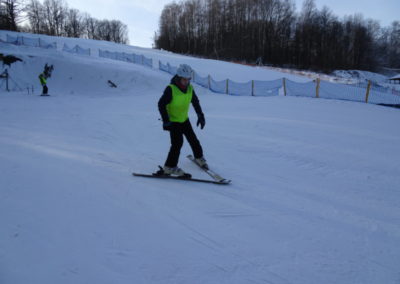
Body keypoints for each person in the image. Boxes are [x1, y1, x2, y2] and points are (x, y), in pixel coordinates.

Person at [158, 64, 207, 176]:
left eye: (188, 79)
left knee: (193, 139)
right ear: (178, 77)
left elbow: (195, 101)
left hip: (184, 119)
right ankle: (169, 167)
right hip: (173, 121)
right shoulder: (171, 89)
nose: (186, 82)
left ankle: (199, 158)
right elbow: (161, 104)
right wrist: (166, 120)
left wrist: (200, 115)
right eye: (184, 79)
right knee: (177, 143)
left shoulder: (190, 88)